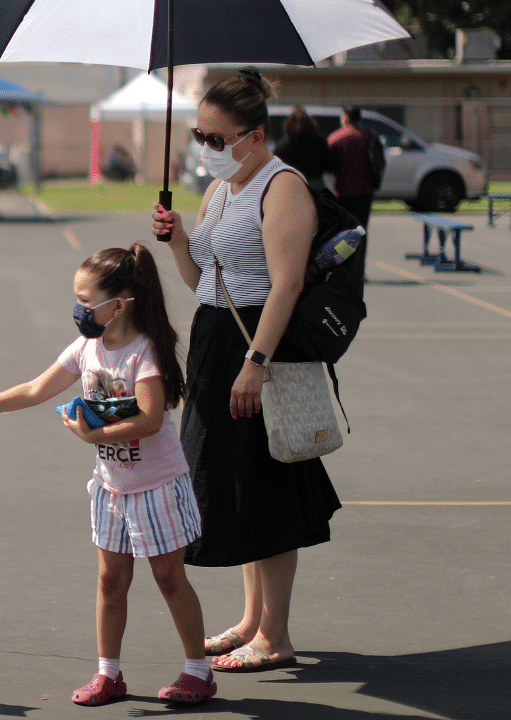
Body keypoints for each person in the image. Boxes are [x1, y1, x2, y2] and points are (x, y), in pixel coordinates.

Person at [0, 244, 216, 708]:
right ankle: (109, 674)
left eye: (86, 302)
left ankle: (197, 672)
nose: (78, 310)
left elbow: (148, 420)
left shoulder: (144, 352)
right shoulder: (87, 347)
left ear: (118, 305)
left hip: (157, 487)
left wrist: (92, 436)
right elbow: (35, 389)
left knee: (169, 578)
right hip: (111, 488)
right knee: (110, 581)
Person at [150, 67, 341, 674]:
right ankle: (252, 620)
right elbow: (202, 283)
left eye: (215, 137)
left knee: (267, 488)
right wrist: (180, 240)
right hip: (216, 340)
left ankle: (275, 636)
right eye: (199, 135)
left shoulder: (282, 188)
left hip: (256, 345)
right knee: (234, 488)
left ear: (254, 135)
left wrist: (256, 363)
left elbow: (284, 285)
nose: (205, 148)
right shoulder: (222, 189)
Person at [328, 105, 375, 276]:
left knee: (342, 234)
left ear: (345, 118)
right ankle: (359, 269)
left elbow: (330, 166)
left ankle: (343, 269)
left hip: (342, 192)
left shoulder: (335, 139)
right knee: (360, 232)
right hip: (364, 191)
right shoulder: (369, 137)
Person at [274, 106, 331, 192]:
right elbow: (328, 166)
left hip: (291, 187)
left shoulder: (282, 146)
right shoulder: (320, 142)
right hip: (315, 186)